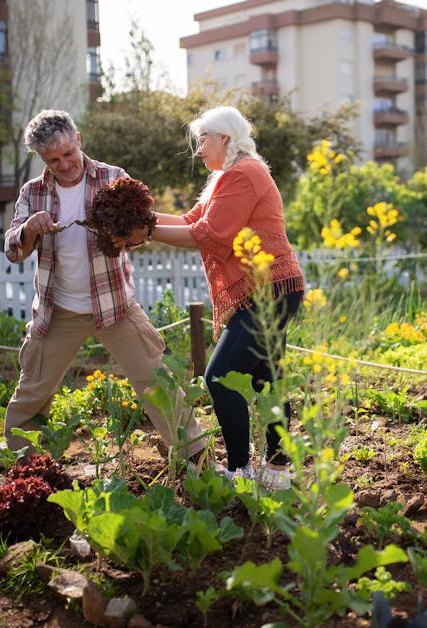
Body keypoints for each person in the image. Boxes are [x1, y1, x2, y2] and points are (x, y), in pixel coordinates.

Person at [115, 106, 305, 491]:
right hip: (270, 289)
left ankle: (241, 470)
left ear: (225, 138)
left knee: (219, 378)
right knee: (269, 378)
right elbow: (190, 221)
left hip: (268, 291)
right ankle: (278, 469)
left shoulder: (245, 173)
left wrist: (144, 230)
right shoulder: (228, 177)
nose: (198, 149)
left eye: (203, 140)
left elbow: (210, 233)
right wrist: (139, 216)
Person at [1, 109, 206, 466]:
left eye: (68, 154)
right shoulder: (32, 193)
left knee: (157, 381)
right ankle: (20, 466)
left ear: (78, 140)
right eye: (53, 160)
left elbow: (141, 233)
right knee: (33, 390)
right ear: (41, 158)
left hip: (115, 307)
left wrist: (126, 233)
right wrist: (29, 228)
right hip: (58, 311)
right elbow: (13, 250)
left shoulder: (114, 179)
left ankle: (196, 458)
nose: (64, 164)